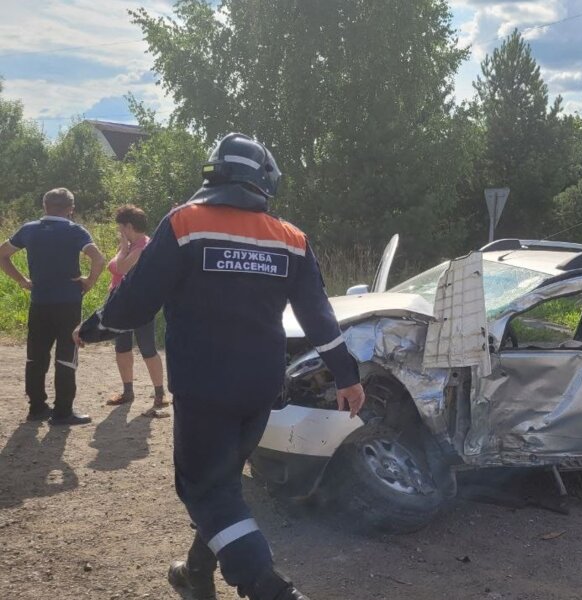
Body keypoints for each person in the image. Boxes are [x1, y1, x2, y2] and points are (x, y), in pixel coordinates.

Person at [76, 133, 366, 600]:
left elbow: (135, 302)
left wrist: (93, 327)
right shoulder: (291, 238)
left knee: (206, 490)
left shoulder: (185, 223)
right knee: (223, 482)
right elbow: (319, 317)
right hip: (261, 387)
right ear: (264, 181)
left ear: (213, 174)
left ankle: (268, 587)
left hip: (205, 385)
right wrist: (348, 376)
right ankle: (195, 573)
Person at [0, 187, 105, 426]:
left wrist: (21, 280)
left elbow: (2, 254)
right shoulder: (75, 231)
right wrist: (88, 281)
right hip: (68, 302)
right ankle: (63, 411)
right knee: (67, 355)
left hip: (40, 302)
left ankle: (37, 408)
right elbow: (98, 259)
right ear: (71, 209)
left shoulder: (29, 229)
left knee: (36, 355)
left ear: (45, 206)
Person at [105, 204, 169, 417]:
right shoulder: (131, 245)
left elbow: (120, 268)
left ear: (129, 226)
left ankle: (160, 394)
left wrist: (122, 250)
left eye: (120, 227)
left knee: (148, 348)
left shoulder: (142, 246)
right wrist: (123, 251)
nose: (119, 231)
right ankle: (127, 391)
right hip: (121, 302)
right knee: (122, 348)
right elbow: (112, 266)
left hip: (139, 304)